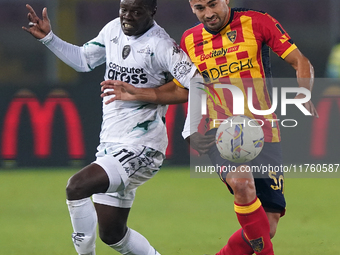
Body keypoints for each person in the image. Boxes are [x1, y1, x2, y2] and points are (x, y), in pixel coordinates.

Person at [100, 0, 318, 254]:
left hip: (263, 132)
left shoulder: (257, 22)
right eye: (199, 8)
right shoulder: (190, 40)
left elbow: (300, 61)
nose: (208, 13)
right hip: (220, 131)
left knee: (266, 226)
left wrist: (304, 93)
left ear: (226, 0)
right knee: (242, 183)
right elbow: (182, 90)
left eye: (212, 4)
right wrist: (138, 92)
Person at [22, 1, 197, 254]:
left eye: (136, 12)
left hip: (143, 146)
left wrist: (138, 93)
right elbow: (83, 60)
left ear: (152, 13)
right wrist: (49, 39)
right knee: (112, 234)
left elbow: (195, 83)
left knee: (77, 186)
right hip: (110, 144)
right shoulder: (113, 30)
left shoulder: (161, 45)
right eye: (124, 9)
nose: (127, 17)